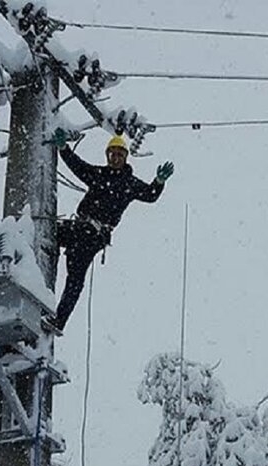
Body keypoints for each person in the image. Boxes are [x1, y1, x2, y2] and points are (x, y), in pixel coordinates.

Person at [47, 128, 174, 331]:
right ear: (107, 156)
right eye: (112, 154)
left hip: (93, 236)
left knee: (75, 279)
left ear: (125, 157)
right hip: (78, 227)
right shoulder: (99, 174)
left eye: (120, 154)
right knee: (45, 231)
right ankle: (29, 279)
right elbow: (77, 166)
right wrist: (63, 148)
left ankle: (59, 321)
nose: (115, 158)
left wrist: (158, 182)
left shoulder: (129, 183)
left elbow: (150, 195)